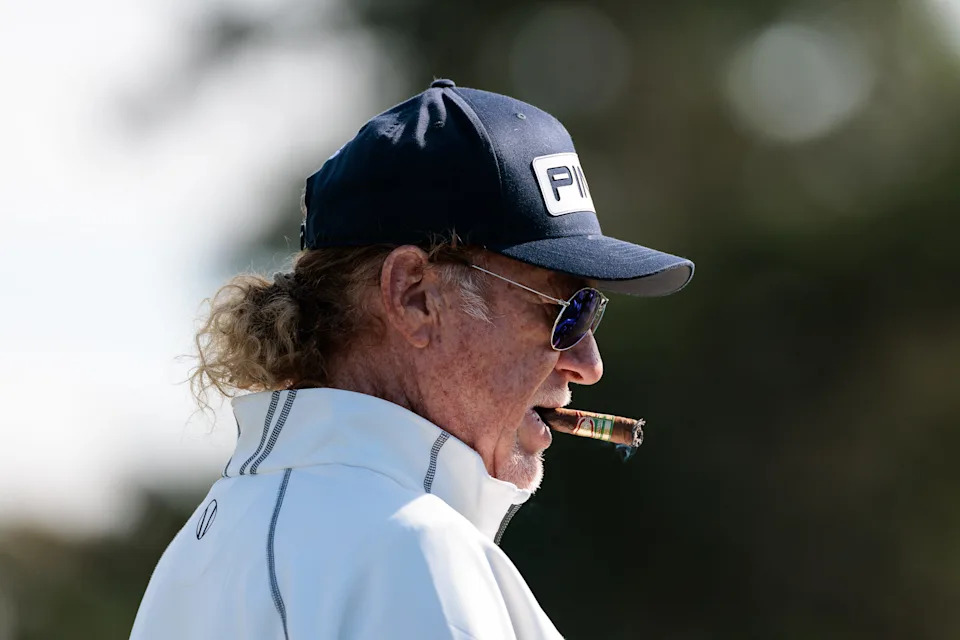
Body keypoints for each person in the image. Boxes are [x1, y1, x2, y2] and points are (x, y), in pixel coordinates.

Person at [130, 79, 694, 639]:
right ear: (415, 296)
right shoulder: (414, 549)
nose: (588, 365)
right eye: (567, 311)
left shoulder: (202, 544)